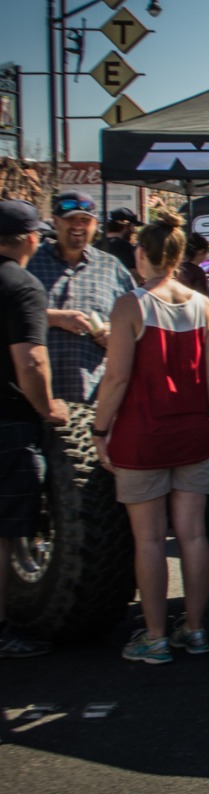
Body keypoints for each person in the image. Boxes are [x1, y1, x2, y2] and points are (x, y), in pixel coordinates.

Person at [91, 210, 209, 664]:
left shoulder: (130, 305)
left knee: (149, 541)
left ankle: (154, 637)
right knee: (193, 536)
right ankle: (196, 629)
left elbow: (115, 378)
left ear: (141, 254)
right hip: (193, 434)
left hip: (142, 437)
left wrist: (99, 429)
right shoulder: (203, 306)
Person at [0, 200, 68, 659]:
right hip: (9, 422)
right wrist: (47, 408)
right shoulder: (22, 284)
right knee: (6, 532)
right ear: (29, 239)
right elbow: (31, 361)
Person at [28, 191, 136, 406]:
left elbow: (137, 323)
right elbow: (8, 313)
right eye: (70, 219)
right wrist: (55, 318)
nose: (78, 225)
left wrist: (116, 334)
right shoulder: (30, 263)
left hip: (94, 400)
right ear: (56, 221)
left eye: (85, 220)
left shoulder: (111, 267)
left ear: (95, 225)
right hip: (36, 400)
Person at [99, 208, 140, 272]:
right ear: (126, 226)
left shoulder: (95, 246)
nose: (135, 231)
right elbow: (132, 273)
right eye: (133, 226)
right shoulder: (125, 247)